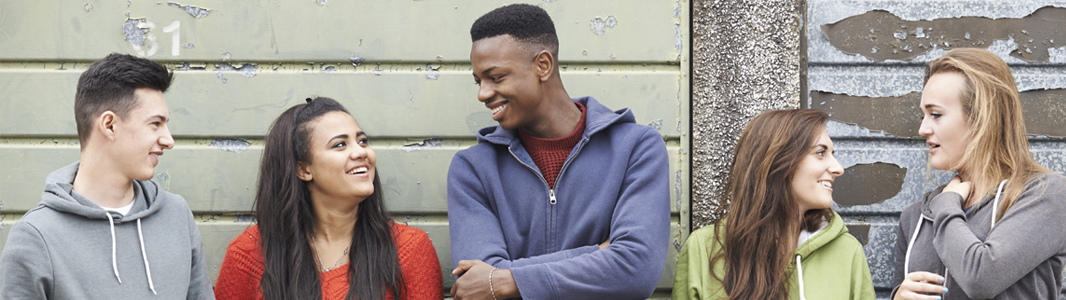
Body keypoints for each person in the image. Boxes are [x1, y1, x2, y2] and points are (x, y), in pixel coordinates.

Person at [447, 4, 671, 299]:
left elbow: (636, 270)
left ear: (543, 65)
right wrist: (600, 253)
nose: (483, 94)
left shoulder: (637, 148)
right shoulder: (472, 169)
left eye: (496, 77)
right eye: (479, 81)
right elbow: (479, 286)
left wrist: (508, 281)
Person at [0, 53, 214, 299]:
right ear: (110, 125)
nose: (169, 140)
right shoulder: (36, 236)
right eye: (155, 124)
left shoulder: (176, 215)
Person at [892, 48, 1066, 300]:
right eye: (923, 115)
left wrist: (946, 205)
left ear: (982, 118)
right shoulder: (915, 217)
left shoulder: (1044, 194)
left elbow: (982, 278)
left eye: (935, 114)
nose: (922, 128)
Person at [214, 97, 443, 300]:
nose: (361, 152)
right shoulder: (249, 255)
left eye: (362, 141)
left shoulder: (409, 250)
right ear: (303, 169)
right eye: (340, 144)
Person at [672, 109, 875, 300]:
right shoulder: (703, 248)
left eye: (832, 153)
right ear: (778, 162)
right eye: (820, 153)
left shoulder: (847, 252)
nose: (838, 168)